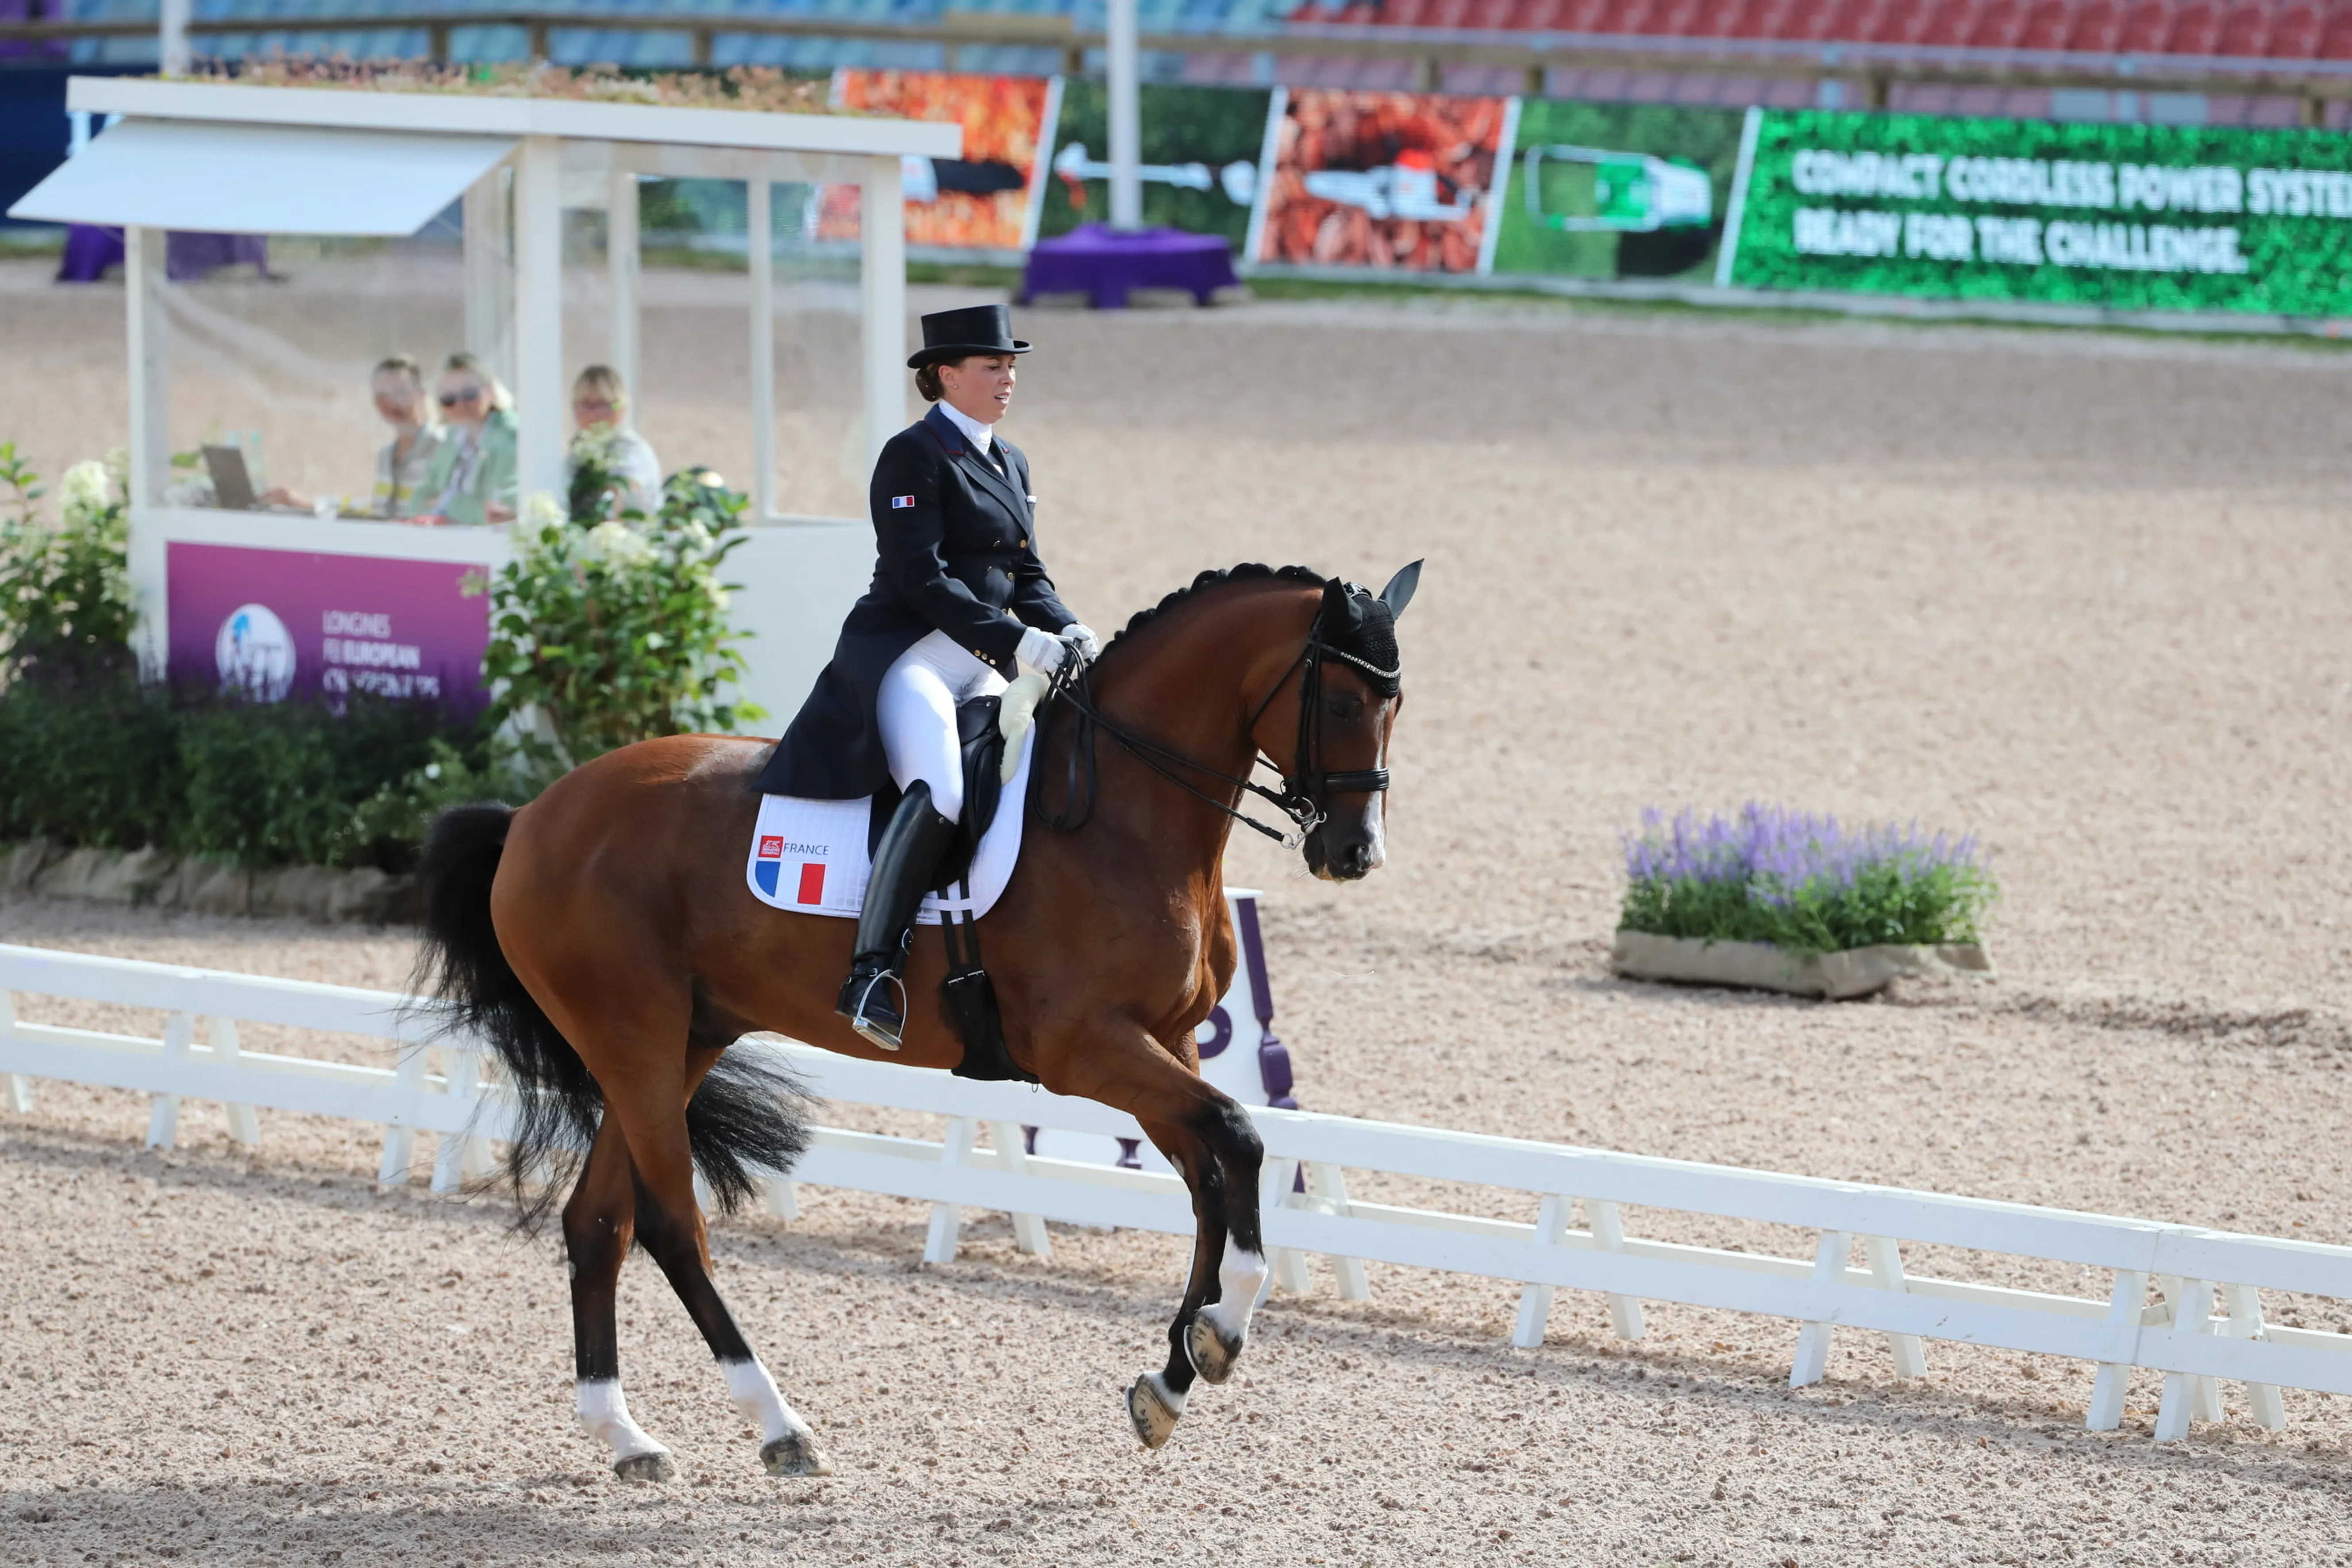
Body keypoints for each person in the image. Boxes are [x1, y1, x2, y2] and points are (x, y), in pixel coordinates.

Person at [754, 304, 1099, 1051]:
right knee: (940, 788)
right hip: (910, 656)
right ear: (946, 375)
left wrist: (1065, 624)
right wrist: (1014, 640)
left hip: (977, 662)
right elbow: (924, 578)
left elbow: (1025, 569)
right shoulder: (912, 455)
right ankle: (872, 972)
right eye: (992, 366)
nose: (1008, 378)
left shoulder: (1010, 460)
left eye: (1011, 366)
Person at [257, 354, 443, 518]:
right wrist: (304, 505)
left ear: (421, 395)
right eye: (382, 396)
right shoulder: (386, 456)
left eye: (400, 393)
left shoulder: (444, 449)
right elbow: (377, 513)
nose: (391, 403)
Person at [414, 352, 517, 527]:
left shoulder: (511, 436)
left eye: (469, 394)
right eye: (449, 399)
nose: (460, 405)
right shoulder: (454, 436)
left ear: (491, 390)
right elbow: (416, 503)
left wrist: (447, 502)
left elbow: (502, 515)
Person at [564, 364, 665, 519]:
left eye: (603, 405)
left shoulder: (632, 450)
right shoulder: (577, 454)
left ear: (621, 408)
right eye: (586, 405)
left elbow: (629, 495)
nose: (594, 415)